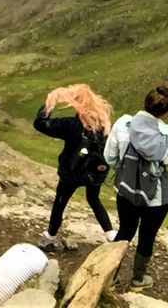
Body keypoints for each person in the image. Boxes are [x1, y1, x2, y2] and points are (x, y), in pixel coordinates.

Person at [104, 82, 168, 290]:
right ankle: (138, 279)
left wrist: (126, 169)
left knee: (125, 231)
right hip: (155, 197)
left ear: (147, 102)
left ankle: (109, 276)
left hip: (126, 191)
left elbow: (109, 157)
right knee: (147, 236)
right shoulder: (167, 135)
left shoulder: (124, 123)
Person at [33, 84, 116, 250]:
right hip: (95, 173)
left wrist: (50, 103)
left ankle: (50, 236)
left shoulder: (71, 125)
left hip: (71, 172)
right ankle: (111, 234)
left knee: (60, 202)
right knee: (94, 199)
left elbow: (40, 123)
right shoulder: (104, 127)